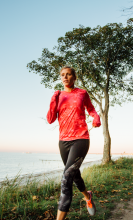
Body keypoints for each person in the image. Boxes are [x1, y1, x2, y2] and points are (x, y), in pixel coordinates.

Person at [47, 66, 101, 220]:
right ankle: (87, 196)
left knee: (66, 179)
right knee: (74, 174)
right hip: (63, 141)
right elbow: (50, 119)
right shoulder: (58, 96)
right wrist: (53, 101)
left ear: (74, 77)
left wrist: (96, 118)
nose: (65, 77)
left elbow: (91, 109)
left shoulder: (82, 93)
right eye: (62, 75)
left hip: (80, 139)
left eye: (69, 74)